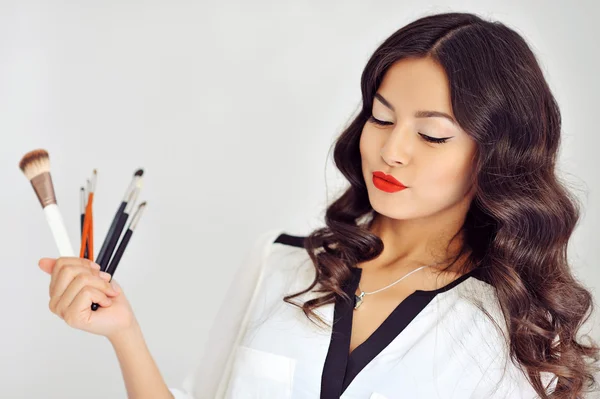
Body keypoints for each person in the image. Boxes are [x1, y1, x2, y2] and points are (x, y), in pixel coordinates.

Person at [38, 11, 600, 399]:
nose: (391, 149)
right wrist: (123, 331)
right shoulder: (279, 263)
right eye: (381, 118)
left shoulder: (514, 326)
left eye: (431, 135)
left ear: (496, 155)